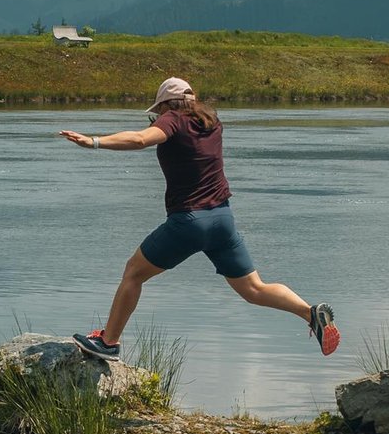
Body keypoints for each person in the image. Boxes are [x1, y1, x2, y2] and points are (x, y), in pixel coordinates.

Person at [62, 73, 339, 359]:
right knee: (254, 288)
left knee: (133, 273)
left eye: (158, 110)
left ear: (169, 104)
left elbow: (141, 139)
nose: (157, 116)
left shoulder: (173, 119)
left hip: (189, 222)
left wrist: (94, 142)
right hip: (222, 219)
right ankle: (310, 313)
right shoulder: (212, 123)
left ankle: (109, 342)